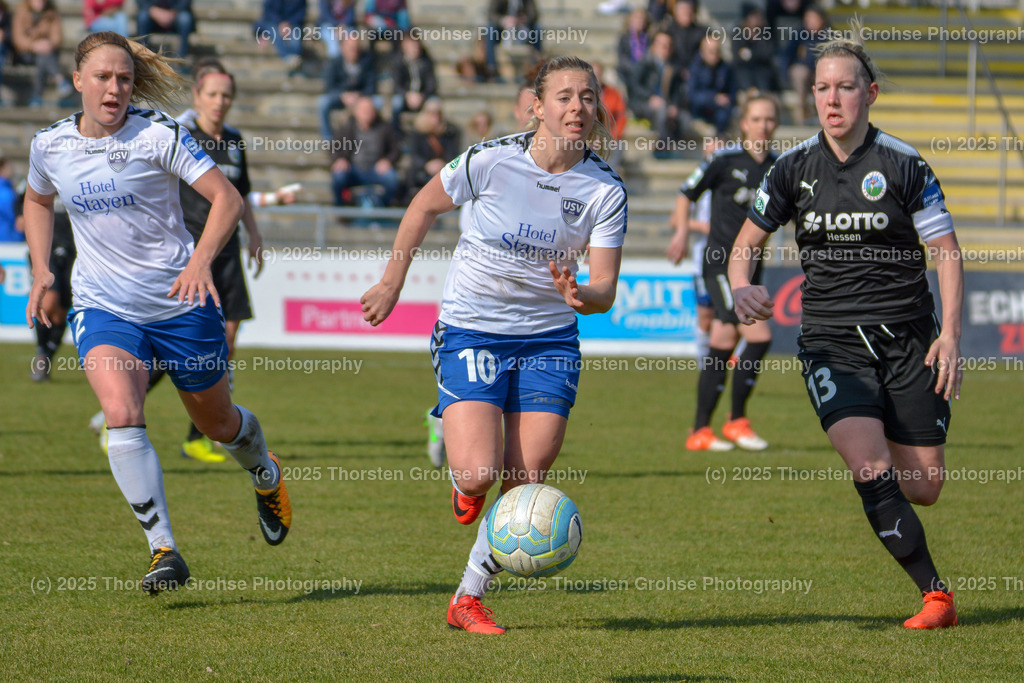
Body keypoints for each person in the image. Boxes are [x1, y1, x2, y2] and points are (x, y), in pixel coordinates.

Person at [362, 56, 626, 634]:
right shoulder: (490, 160)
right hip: (473, 327)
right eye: (563, 96)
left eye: (587, 96)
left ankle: (467, 597)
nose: (577, 107)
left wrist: (581, 295)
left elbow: (604, 288)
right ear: (537, 106)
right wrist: (391, 283)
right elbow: (423, 206)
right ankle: (454, 441)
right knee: (480, 473)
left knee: (525, 480)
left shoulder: (605, 188)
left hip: (549, 339)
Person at [24, 31, 291, 594]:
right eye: (103, 77)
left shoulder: (158, 133)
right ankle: (163, 549)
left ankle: (264, 470)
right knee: (121, 411)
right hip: (103, 305)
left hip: (179, 304)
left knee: (216, 423)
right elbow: (38, 199)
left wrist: (198, 263)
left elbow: (227, 199)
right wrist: (42, 269)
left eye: (124, 78)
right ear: (77, 81)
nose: (114, 88)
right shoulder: (49, 144)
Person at [729, 27, 963, 628]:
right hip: (831, 342)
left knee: (925, 487)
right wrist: (740, 285)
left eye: (845, 87)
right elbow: (744, 245)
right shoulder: (791, 168)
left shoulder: (904, 163)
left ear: (871, 93)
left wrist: (951, 336)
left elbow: (946, 251)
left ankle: (890, 462)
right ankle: (935, 597)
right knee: (870, 466)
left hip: (909, 339)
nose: (831, 99)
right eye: (821, 88)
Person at [668, 93, 778, 451]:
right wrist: (682, 233)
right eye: (756, 119)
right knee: (758, 337)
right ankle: (736, 422)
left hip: (752, 266)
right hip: (719, 264)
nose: (763, 126)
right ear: (744, 123)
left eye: (769, 119)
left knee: (722, 341)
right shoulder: (724, 159)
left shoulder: (778, 167)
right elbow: (686, 193)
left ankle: (700, 431)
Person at [329, 95, 401, 210]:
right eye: (363, 110)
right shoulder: (346, 128)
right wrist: (339, 160)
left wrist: (387, 161)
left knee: (391, 178)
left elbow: (396, 149)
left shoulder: (385, 128)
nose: (367, 113)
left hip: (376, 170)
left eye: (369, 110)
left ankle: (385, 208)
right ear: (355, 112)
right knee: (338, 176)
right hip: (353, 170)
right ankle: (340, 209)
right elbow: (333, 147)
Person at [11, 0, 72, 107]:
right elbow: (18, 39)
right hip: (25, 53)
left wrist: (48, 44)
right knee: (44, 57)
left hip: (45, 52)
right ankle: (60, 79)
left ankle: (37, 97)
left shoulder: (52, 14)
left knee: (42, 59)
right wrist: (34, 45)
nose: (40, 2)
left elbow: (57, 37)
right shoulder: (21, 13)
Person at [317, 33, 376, 141]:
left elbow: (371, 86)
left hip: (361, 97)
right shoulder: (334, 63)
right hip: (340, 97)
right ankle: (328, 139)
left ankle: (373, 138)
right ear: (343, 48)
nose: (354, 51)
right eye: (351, 48)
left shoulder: (367, 61)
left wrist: (359, 96)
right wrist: (342, 95)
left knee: (378, 102)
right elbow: (329, 87)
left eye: (356, 48)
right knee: (323, 102)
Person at [404, 97, 461, 201]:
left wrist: (443, 165)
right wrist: (426, 165)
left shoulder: (450, 133)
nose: (435, 118)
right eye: (431, 114)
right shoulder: (417, 133)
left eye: (437, 114)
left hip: (444, 170)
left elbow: (453, 153)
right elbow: (414, 155)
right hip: (422, 171)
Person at [687, 35, 734, 136]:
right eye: (711, 51)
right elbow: (691, 95)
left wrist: (727, 100)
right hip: (699, 113)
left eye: (717, 51)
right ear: (702, 52)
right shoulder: (695, 68)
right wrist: (713, 98)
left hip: (720, 114)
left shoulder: (725, 69)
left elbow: (732, 91)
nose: (714, 55)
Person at [484, 0, 541, 82]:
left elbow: (533, 14)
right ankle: (491, 68)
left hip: (523, 28)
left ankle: (537, 65)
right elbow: (491, 14)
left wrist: (524, 19)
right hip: (502, 30)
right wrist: (504, 20)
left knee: (537, 29)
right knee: (490, 29)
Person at [253, 0, 306, 76]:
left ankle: (292, 61)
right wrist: (280, 23)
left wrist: (288, 23)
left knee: (295, 39)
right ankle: (289, 59)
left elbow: (300, 14)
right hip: (274, 23)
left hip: (293, 24)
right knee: (275, 33)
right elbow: (268, 12)